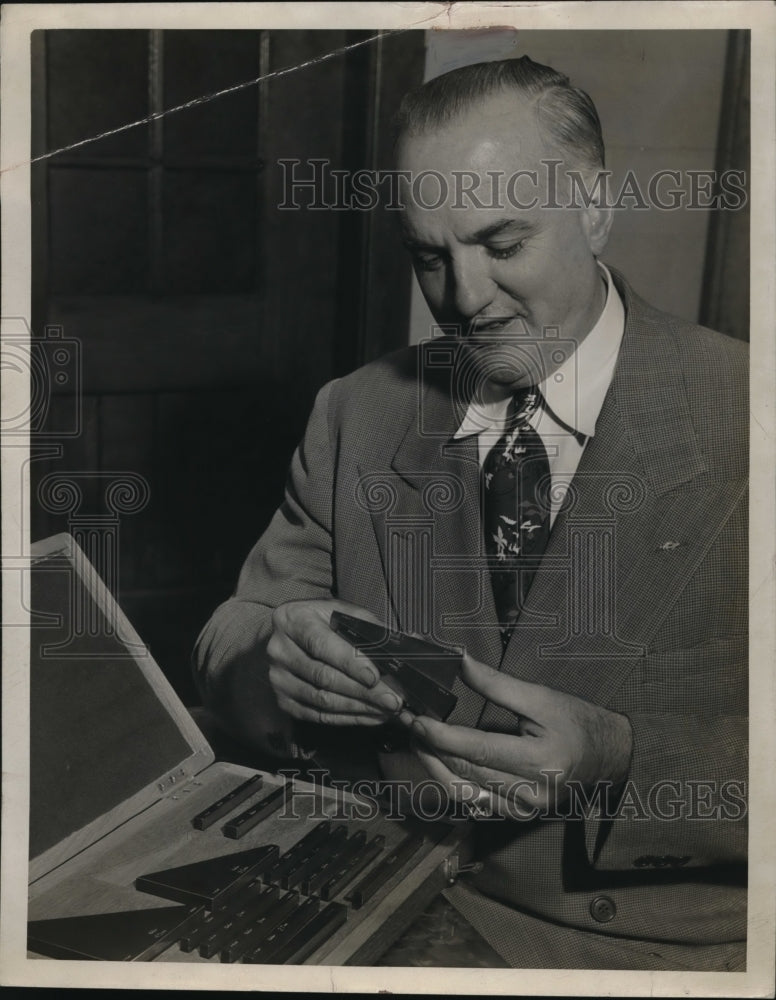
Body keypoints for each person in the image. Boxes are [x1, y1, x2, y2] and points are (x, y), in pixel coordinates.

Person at [194, 56, 748, 970]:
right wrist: (273, 659)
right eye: (429, 258)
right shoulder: (356, 413)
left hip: (648, 956)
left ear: (597, 207)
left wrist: (621, 757)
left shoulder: (748, 417)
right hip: (373, 894)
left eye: (502, 244)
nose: (463, 300)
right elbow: (232, 636)